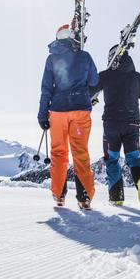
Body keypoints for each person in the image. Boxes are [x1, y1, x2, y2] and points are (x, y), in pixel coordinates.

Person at [38, 24, 99, 209]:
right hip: (80, 110)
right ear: (72, 37)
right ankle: (84, 198)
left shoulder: (51, 59)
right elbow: (94, 81)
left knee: (58, 152)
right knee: (80, 152)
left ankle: (59, 195)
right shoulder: (84, 56)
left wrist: (42, 114)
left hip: (58, 112)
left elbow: (46, 88)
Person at [90, 45, 140, 206]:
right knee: (134, 158)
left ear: (112, 57)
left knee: (112, 159)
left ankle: (116, 197)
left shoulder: (105, 76)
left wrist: (92, 100)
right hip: (132, 125)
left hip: (111, 125)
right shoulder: (137, 78)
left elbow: (88, 92)